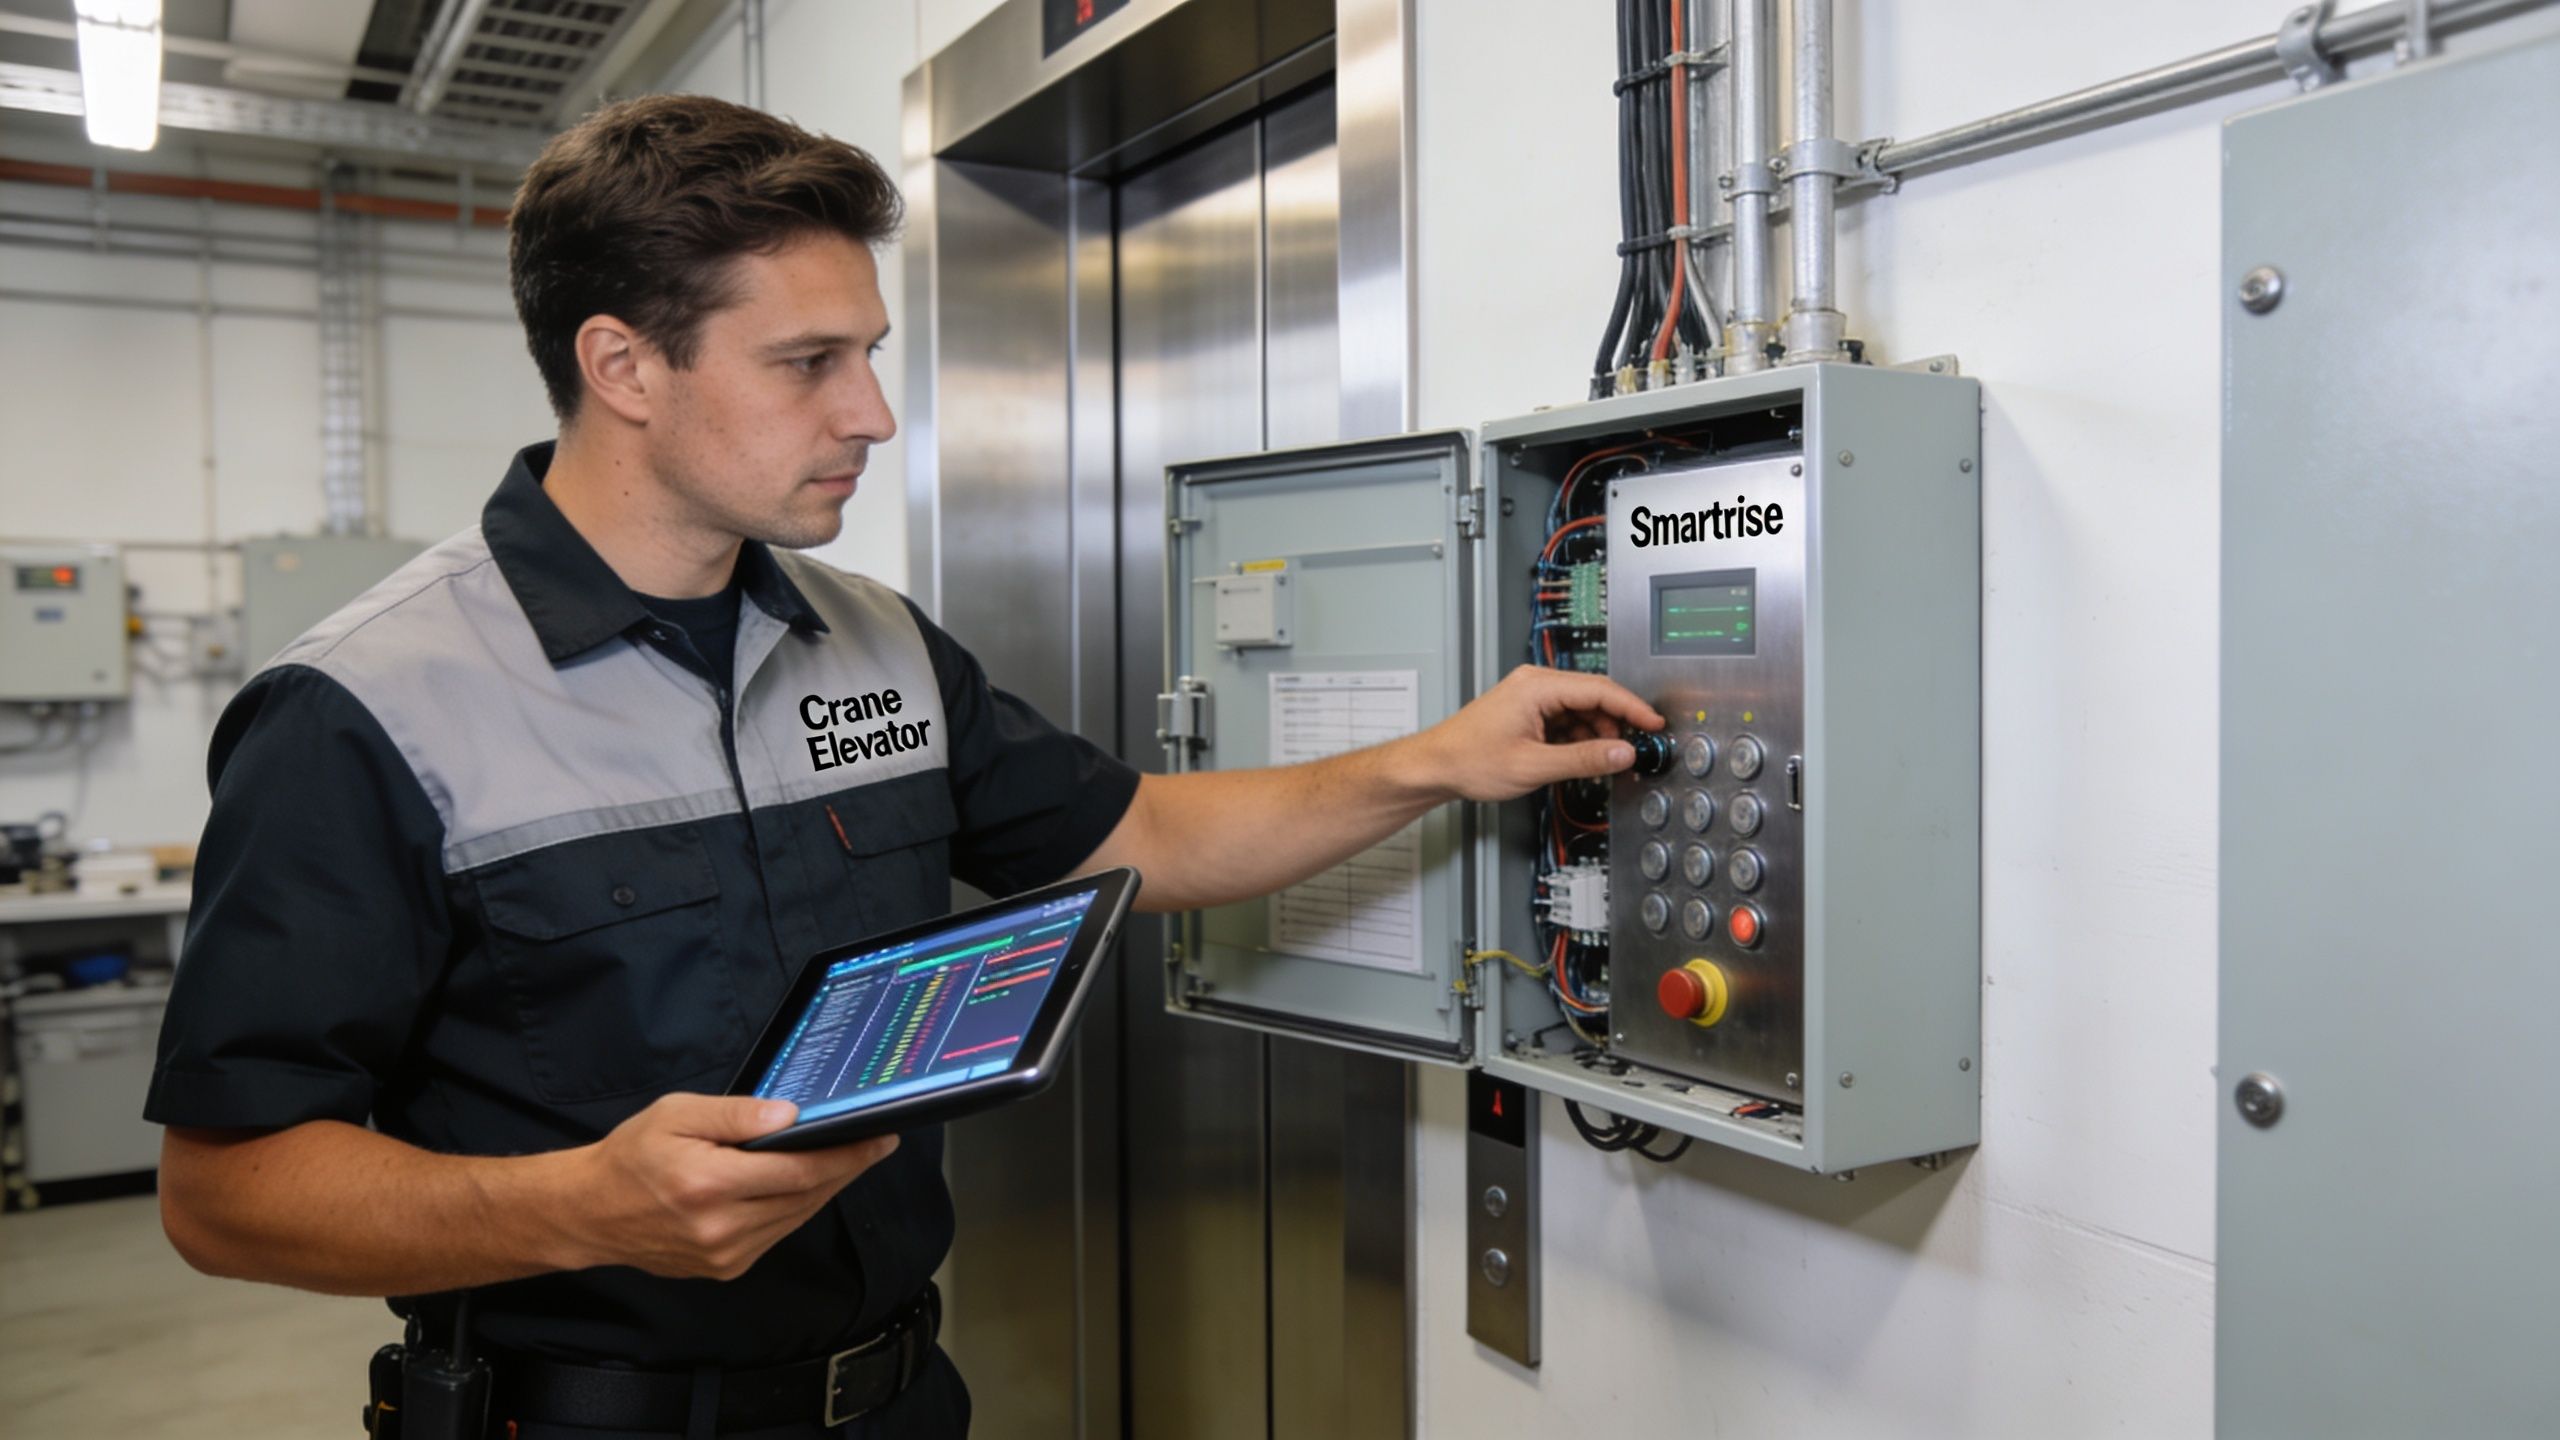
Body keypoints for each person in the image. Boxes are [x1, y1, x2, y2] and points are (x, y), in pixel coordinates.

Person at [144, 94, 1660, 1439]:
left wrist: (1441, 761)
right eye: (808, 362)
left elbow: (1141, 835)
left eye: (868, 354)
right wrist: (578, 1207)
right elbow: (225, 1192)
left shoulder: (871, 640)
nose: (870, 413)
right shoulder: (365, 707)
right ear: (622, 364)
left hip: (898, 1397)